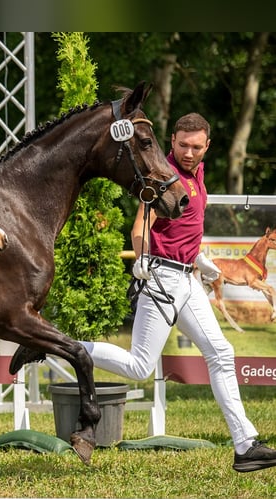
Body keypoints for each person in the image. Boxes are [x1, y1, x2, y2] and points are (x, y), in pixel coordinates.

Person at [81, 112, 276, 472]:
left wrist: (199, 258)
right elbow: (141, 226)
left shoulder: (197, 176)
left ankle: (245, 445)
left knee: (221, 352)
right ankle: (60, 347)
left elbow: (184, 229)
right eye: (183, 145)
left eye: (196, 147)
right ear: (171, 141)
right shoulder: (162, 175)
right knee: (140, 366)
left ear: (207, 147)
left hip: (187, 280)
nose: (189, 152)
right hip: (162, 278)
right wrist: (142, 259)